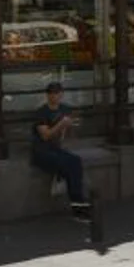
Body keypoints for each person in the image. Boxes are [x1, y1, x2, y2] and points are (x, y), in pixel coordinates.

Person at [31, 81, 89, 218]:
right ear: (47, 95)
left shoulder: (65, 109)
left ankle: (78, 204)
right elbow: (45, 136)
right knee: (69, 165)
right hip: (41, 151)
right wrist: (61, 124)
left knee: (75, 162)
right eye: (51, 93)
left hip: (56, 149)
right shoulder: (41, 113)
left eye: (57, 93)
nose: (54, 96)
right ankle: (78, 205)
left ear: (61, 94)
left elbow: (70, 130)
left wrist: (72, 125)